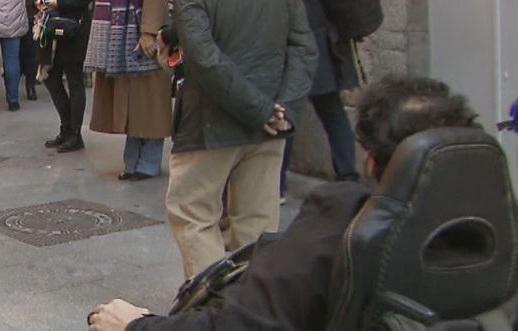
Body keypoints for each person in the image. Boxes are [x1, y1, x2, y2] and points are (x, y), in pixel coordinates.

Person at [86, 75, 482, 331]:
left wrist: (138, 325)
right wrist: (279, 110)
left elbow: (247, 324)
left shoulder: (347, 221)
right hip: (269, 119)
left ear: (371, 159)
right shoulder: (491, 223)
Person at [163, 0, 316, 279]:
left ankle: (214, 305)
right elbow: (304, 49)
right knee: (258, 225)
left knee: (193, 212)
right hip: (270, 123)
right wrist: (283, 109)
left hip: (212, 122)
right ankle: (251, 302)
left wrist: (260, 109)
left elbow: (203, 57)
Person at [238, 0, 360, 196]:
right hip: (322, 40)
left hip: (293, 42)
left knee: (284, 113)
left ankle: (276, 186)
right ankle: (348, 176)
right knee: (331, 112)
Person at [86, 0, 171, 179]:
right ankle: (132, 163)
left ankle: (147, 164)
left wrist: (148, 31)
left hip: (143, 36)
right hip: (119, 36)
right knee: (133, 104)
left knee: (149, 103)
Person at [37, 0, 99, 153]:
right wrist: (37, 1)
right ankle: (65, 127)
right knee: (50, 78)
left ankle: (75, 133)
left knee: (74, 80)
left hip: (74, 27)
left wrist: (60, 2)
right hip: (48, 26)